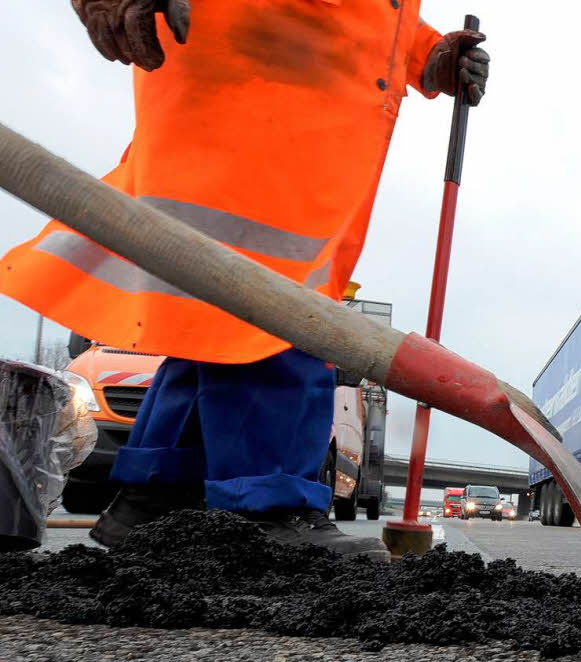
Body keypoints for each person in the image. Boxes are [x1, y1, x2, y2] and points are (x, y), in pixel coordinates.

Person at [0, 0, 489, 560]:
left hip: (293, 113)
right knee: (280, 311)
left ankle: (161, 496)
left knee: (222, 317)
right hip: (251, 95)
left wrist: (426, 54)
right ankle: (268, 504)